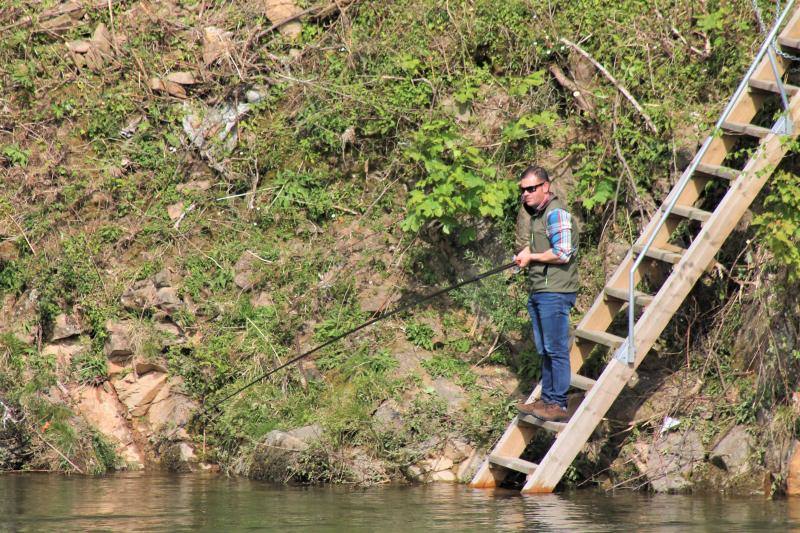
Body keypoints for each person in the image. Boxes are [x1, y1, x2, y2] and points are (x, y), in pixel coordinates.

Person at [513, 165, 579, 422]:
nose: (526, 194)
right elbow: (541, 245)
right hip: (540, 289)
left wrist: (532, 257)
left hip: (555, 291)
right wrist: (525, 254)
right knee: (545, 348)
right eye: (523, 190)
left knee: (556, 348)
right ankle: (548, 399)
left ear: (545, 187)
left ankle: (558, 404)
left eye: (531, 189)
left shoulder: (556, 214)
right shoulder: (538, 216)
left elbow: (562, 253)